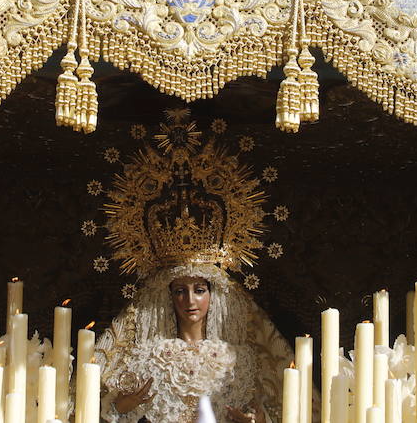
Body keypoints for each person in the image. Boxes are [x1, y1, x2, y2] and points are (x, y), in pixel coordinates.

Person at [89, 111, 291, 423]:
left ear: (214, 295)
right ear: (168, 295)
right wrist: (120, 408)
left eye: (199, 290)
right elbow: (96, 411)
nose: (190, 300)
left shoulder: (239, 361)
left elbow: (280, 410)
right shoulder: (149, 357)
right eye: (180, 291)